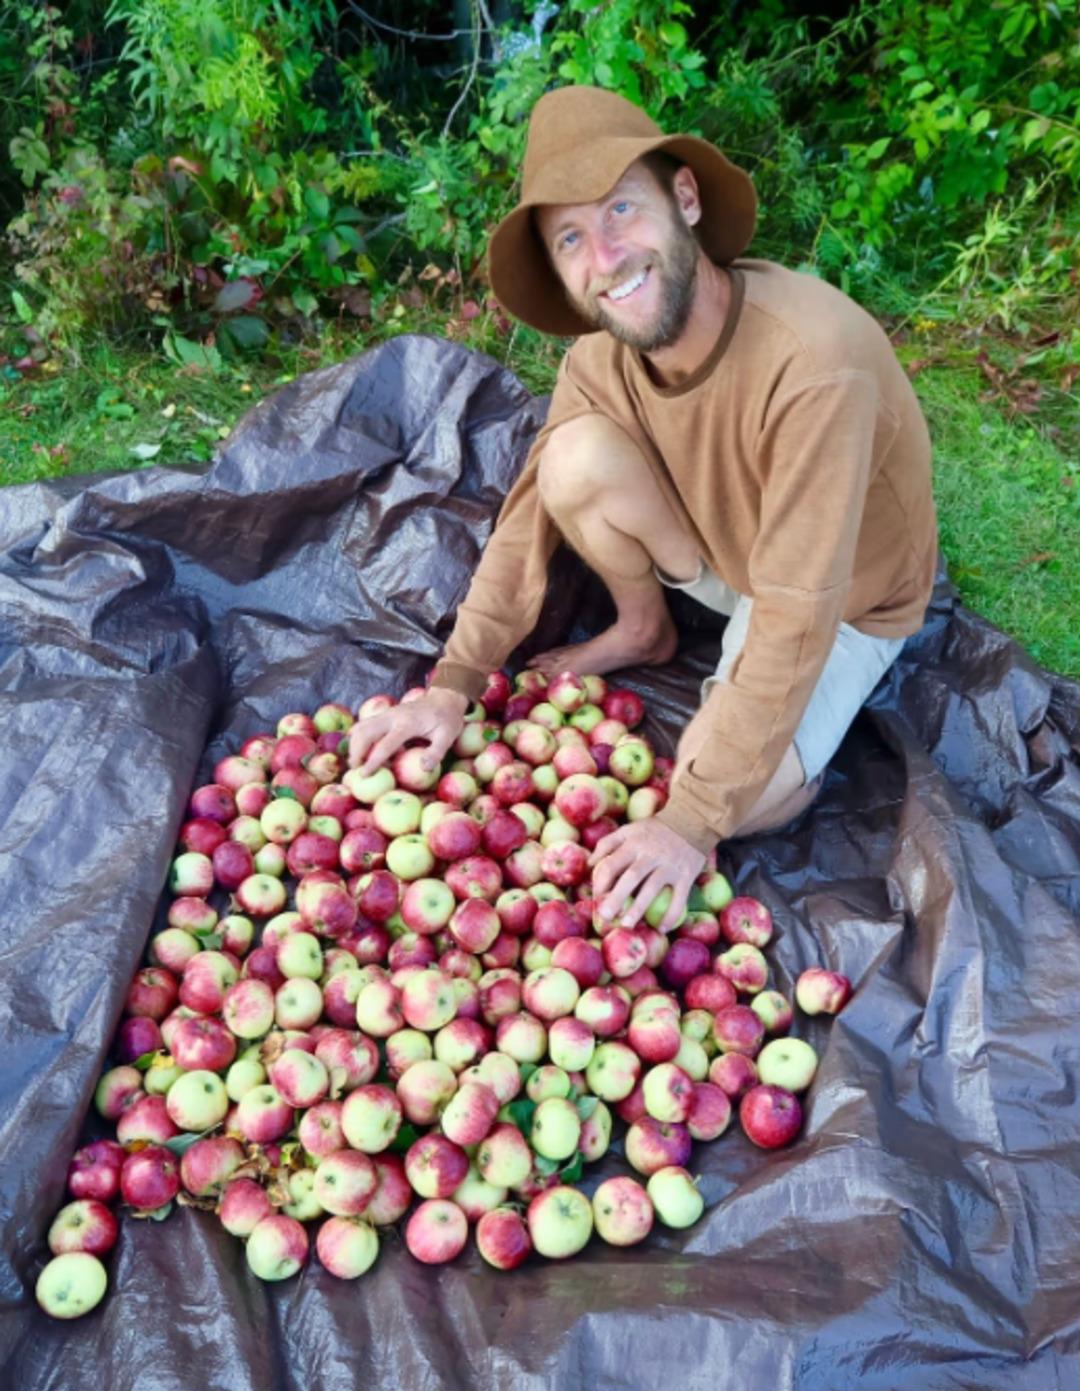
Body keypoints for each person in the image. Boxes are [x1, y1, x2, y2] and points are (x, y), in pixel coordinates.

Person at [348, 85, 937, 935]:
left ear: (686, 201)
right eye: (573, 239)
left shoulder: (814, 362)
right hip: (731, 552)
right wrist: (452, 686)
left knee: (734, 788)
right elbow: (525, 524)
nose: (609, 255)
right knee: (573, 458)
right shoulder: (602, 357)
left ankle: (776, 765)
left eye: (623, 207)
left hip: (843, 600)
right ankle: (644, 630)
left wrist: (689, 821)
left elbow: (798, 608)